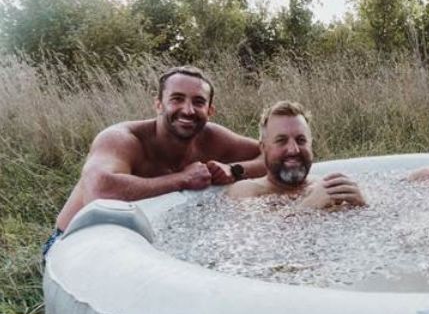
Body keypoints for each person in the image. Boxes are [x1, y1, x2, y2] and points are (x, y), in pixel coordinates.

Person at [50, 66, 265, 248]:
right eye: (177, 99)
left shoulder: (214, 137)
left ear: (210, 111)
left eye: (198, 102)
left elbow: (272, 155)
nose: (188, 110)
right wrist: (182, 179)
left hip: (144, 241)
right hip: (73, 244)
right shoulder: (122, 139)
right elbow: (98, 191)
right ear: (159, 104)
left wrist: (235, 170)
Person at [226, 101, 366, 208]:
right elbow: (256, 235)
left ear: (310, 144)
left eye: (301, 140)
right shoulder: (247, 191)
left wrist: (361, 206)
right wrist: (309, 207)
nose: (294, 150)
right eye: (281, 141)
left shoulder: (325, 187)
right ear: (263, 148)